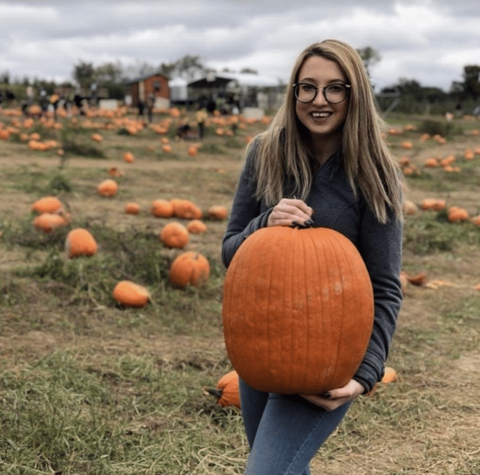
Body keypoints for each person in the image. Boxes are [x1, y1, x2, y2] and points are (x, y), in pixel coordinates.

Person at [221, 39, 404, 475]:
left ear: (353, 93)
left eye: (334, 88)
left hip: (326, 362)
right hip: (260, 351)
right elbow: (230, 251)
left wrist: (365, 374)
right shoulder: (264, 152)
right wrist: (263, 222)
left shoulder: (376, 174)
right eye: (308, 88)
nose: (319, 101)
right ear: (294, 92)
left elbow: (385, 287)